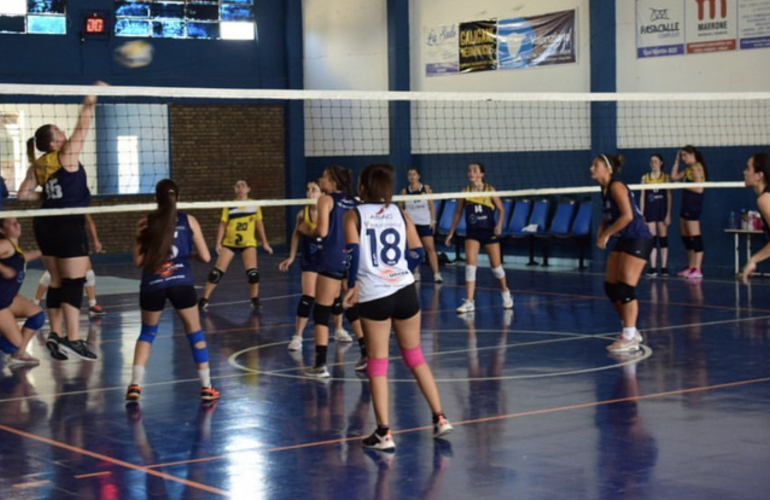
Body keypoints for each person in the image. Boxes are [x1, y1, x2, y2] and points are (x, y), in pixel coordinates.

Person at [343, 163, 452, 450]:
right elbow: (417, 253)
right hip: (404, 290)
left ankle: (384, 433)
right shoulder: (400, 213)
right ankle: (440, 418)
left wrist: (351, 286)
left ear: (363, 188)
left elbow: (353, 254)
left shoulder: (353, 215)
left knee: (378, 365)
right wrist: (401, 271)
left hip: (374, 295)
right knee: (415, 356)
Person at [18, 84, 104, 361]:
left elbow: (23, 195)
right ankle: (73, 338)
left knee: (56, 281)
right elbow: (84, 122)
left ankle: (55, 333)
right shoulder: (66, 154)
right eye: (59, 132)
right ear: (55, 142)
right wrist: (92, 97)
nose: (65, 134)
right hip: (68, 224)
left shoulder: (39, 164)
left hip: (45, 224)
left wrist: (50, 192)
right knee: (74, 281)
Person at [126, 179, 219, 403]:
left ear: (155, 199)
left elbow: (138, 261)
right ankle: (206, 387)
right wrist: (187, 256)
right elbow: (206, 257)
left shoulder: (145, 223)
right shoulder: (189, 221)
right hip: (181, 283)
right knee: (195, 332)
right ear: (177, 197)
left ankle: (135, 385)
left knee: (147, 334)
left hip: (153, 284)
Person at [300, 165, 366, 378]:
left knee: (321, 312)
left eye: (325, 177)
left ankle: (320, 364)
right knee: (351, 308)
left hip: (331, 260)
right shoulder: (356, 203)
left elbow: (321, 231)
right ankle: (366, 353)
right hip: (352, 261)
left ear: (334, 182)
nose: (321, 179)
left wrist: (305, 229)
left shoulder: (326, 200)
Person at [279, 181, 351, 352]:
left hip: (329, 259)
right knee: (308, 297)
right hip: (311, 259)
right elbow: (296, 235)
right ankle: (297, 336)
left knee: (334, 297)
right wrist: (291, 256)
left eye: (314, 190)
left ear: (322, 195)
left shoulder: (333, 212)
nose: (310, 193)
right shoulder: (302, 214)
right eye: (308, 190)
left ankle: (339, 329)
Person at [591, 154, 653, 353]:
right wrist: (602, 227)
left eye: (596, 165)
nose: (591, 168)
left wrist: (606, 235)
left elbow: (627, 216)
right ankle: (630, 329)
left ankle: (629, 336)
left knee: (625, 288)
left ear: (608, 169)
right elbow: (610, 215)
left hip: (638, 237)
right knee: (611, 287)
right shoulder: (605, 189)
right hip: (625, 238)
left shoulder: (617, 186)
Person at [444, 162, 513, 314]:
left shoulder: (490, 190)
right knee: (470, 266)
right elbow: (458, 213)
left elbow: (501, 210)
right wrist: (451, 232)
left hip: (489, 232)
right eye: (469, 170)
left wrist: (500, 224)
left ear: (482, 174)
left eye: (475, 170)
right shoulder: (465, 191)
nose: (471, 173)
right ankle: (469, 301)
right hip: (472, 233)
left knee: (496, 268)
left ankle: (505, 292)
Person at [198, 179, 272, 311]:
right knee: (216, 273)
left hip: (248, 243)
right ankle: (204, 300)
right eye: (237, 186)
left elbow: (259, 224)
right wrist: (218, 243)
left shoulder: (255, 205)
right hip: (230, 243)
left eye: (243, 185)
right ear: (234, 189)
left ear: (248, 189)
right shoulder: (229, 205)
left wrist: (265, 243)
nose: (240, 188)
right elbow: (223, 225)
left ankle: (254, 299)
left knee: (253, 274)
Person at [33, 214, 105, 317]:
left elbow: (89, 220)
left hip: (75, 241)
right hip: (60, 239)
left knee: (88, 272)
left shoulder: (79, 204)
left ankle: (92, 305)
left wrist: (95, 240)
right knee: (54, 275)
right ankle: (36, 303)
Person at [0, 218, 46, 367]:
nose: (17, 225)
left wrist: (41, 252)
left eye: (17, 221)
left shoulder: (13, 247)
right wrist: (4, 269)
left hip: (8, 297)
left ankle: (19, 354)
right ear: (2, 230)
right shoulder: (5, 244)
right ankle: (17, 350)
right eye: (11, 223)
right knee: (12, 344)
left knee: (37, 315)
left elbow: (21, 259)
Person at [670, 145, 708, 279]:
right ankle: (691, 266)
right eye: (682, 156)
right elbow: (673, 177)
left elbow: (699, 189)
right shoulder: (688, 169)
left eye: (684, 156)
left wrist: (681, 185)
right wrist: (677, 162)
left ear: (692, 154)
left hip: (693, 206)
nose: (683, 158)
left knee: (695, 237)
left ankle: (698, 269)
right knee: (686, 237)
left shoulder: (697, 167)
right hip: (685, 205)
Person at [399, 168, 443, 283]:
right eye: (409, 175)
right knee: (413, 250)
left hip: (424, 223)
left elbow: (432, 206)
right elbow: (400, 208)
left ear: (418, 176)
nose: (412, 177)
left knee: (430, 249)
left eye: (414, 174)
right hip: (411, 225)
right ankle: (416, 273)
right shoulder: (405, 191)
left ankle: (437, 274)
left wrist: (433, 221)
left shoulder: (426, 189)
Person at [639, 154, 672, 277]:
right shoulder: (645, 178)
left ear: (661, 163)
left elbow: (669, 196)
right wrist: (641, 214)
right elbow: (642, 196)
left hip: (662, 211)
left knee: (663, 239)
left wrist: (668, 213)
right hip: (650, 211)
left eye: (656, 161)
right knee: (652, 239)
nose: (653, 164)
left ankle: (664, 267)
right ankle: (653, 267)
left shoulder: (665, 177)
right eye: (652, 161)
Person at [741, 153, 770, 284]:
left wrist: (753, 259)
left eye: (748, 168)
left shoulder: (764, 200)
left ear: (759, 175)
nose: (744, 172)